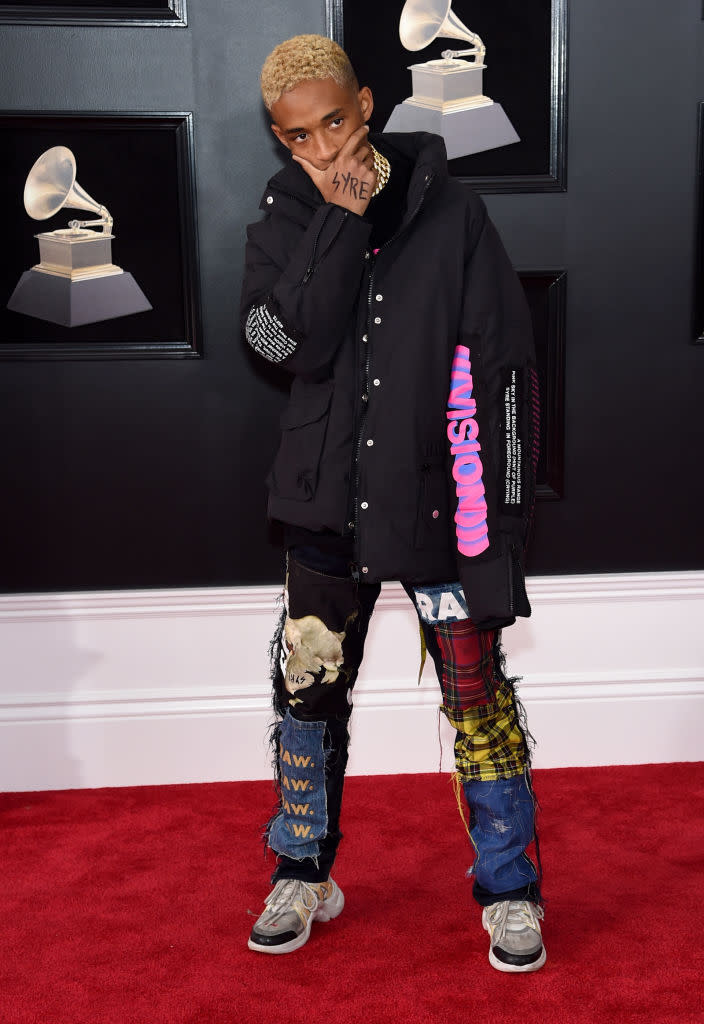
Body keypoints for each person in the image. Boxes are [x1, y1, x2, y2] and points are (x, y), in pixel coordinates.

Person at [240, 33, 545, 972]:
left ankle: (511, 890)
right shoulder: (285, 218)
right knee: (308, 692)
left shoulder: (453, 215)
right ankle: (303, 870)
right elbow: (283, 342)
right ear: (282, 141)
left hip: (437, 505)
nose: (323, 149)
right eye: (299, 137)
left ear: (366, 103)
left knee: (477, 697)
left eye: (335, 122)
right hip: (325, 504)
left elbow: (504, 365)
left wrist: (503, 507)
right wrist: (334, 221)